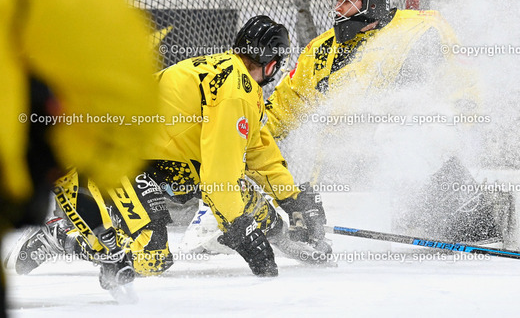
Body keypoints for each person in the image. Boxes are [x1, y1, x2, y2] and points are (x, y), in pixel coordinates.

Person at [7, 16, 331, 289]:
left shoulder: (236, 80)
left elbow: (258, 149)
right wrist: (243, 234)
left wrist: (292, 199)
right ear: (273, 63)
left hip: (153, 161)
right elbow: (219, 178)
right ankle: (64, 236)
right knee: (152, 257)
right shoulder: (236, 93)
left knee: (243, 200)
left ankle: (287, 238)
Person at [264, 0, 511, 245]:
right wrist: (248, 142)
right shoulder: (321, 49)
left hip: (403, 150)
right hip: (343, 165)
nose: (339, 8)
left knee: (412, 130)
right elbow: (285, 103)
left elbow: (460, 80)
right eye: (337, 0)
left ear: (372, 2)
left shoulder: (419, 29)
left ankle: (472, 221)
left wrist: (460, 123)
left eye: (349, 0)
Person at [0, 0, 158, 315]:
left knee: (152, 255)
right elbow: (123, 80)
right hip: (62, 151)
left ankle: (71, 238)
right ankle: (65, 238)